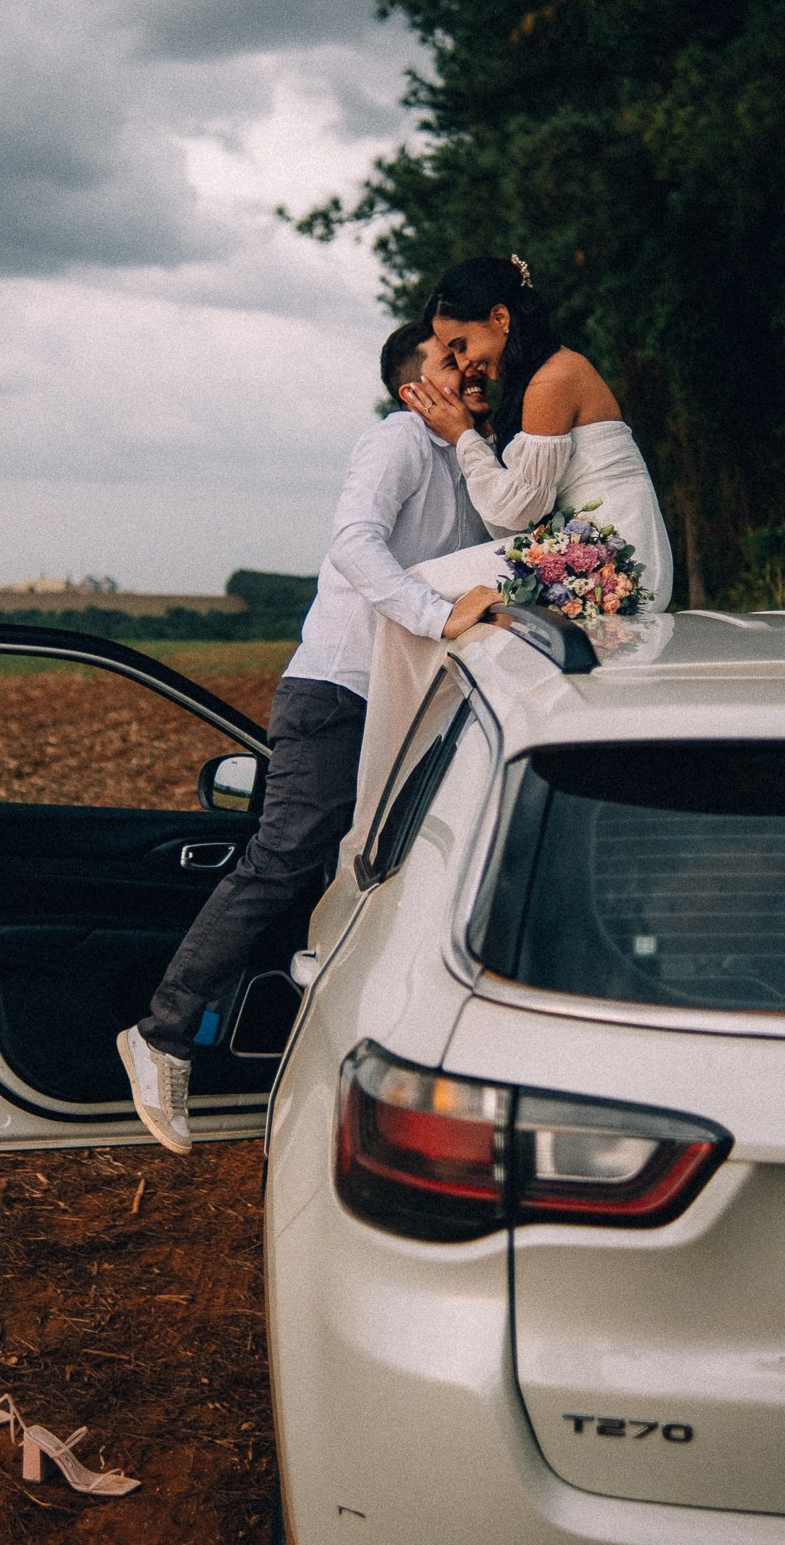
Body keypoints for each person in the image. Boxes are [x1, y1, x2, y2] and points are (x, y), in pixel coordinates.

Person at [116, 322, 499, 1155]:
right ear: (412, 388)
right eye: (446, 361)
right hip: (338, 688)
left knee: (374, 868)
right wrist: (438, 615)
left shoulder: (469, 458)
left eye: (468, 358)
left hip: (409, 694)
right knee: (283, 857)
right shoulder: (395, 443)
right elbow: (355, 544)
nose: (466, 367)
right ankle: (161, 1033)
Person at [348, 256, 673, 838]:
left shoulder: (555, 379)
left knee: (417, 597)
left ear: (500, 317)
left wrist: (463, 439)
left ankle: (387, 809)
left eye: (462, 343)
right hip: (595, 549)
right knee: (443, 610)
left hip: (609, 557)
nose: (467, 361)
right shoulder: (543, 376)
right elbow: (515, 524)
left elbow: (515, 512)